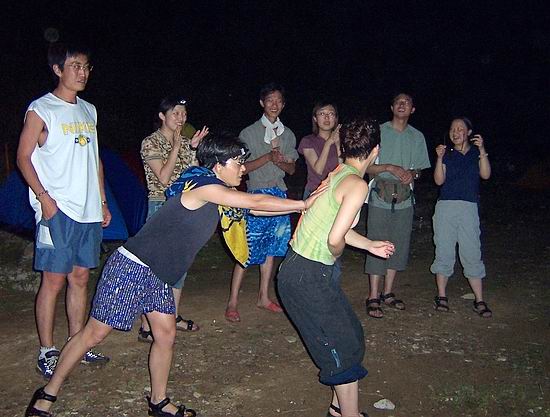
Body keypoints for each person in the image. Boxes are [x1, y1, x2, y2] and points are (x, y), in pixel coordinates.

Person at [25, 133, 324, 417]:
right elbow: (255, 202)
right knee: (94, 334)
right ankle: (47, 393)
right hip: (132, 267)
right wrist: (302, 203)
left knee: (165, 335)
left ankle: (158, 401)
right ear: (218, 165)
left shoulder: (221, 193)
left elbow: (256, 210)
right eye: (237, 162)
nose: (243, 168)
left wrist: (300, 210)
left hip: (158, 276)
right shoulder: (204, 187)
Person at [278, 118, 395, 417]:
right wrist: (338, 248)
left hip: (304, 271)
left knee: (351, 336)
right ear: (376, 150)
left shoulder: (340, 172)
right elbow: (335, 239)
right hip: (307, 275)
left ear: (343, 147)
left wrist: (369, 244)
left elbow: (336, 226)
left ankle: (337, 408)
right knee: (342, 350)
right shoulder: (357, 184)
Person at [16, 42, 112, 379]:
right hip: (57, 209)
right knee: (53, 280)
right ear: (58, 69)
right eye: (75, 66)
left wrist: (102, 201)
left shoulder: (89, 110)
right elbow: (22, 157)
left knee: (81, 277)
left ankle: (77, 343)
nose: (82, 73)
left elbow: (95, 159)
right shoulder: (41, 109)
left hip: (88, 209)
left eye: (86, 66)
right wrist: (43, 198)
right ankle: (47, 350)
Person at [225, 82, 299, 322]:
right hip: (256, 194)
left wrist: (280, 161)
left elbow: (292, 170)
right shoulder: (248, 133)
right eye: (270, 100)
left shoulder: (288, 134)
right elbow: (242, 168)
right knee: (246, 248)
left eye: (278, 100)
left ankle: (263, 297)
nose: (274, 104)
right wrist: (267, 156)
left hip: (279, 193)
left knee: (271, 248)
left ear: (283, 104)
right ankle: (232, 302)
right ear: (262, 103)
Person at [137, 96, 209, 342]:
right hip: (160, 206)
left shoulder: (187, 142)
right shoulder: (150, 142)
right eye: (176, 113)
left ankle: (173, 316)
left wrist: (193, 149)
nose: (181, 118)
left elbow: (193, 176)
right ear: (162, 116)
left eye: (184, 114)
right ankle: (146, 326)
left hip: (183, 206)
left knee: (180, 265)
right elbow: (164, 178)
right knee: (155, 268)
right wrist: (178, 147)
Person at [364, 92, 430, 318]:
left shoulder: (417, 137)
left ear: (413, 109)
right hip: (379, 195)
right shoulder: (378, 132)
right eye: (398, 102)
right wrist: (389, 167)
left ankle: (388, 292)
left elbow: (420, 170)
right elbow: (365, 167)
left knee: (398, 244)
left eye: (407, 102)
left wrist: (413, 174)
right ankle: (373, 295)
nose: (402, 105)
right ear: (391, 107)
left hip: (404, 198)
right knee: (376, 241)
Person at [431, 117, 492, 317]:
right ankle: (441, 295)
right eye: (452, 129)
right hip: (446, 207)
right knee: (444, 249)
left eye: (460, 129)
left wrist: (482, 150)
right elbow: (438, 181)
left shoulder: (475, 153)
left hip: (468, 208)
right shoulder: (447, 154)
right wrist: (439, 158)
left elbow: (486, 175)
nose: (455, 132)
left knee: (472, 250)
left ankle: (479, 299)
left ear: (469, 132)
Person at [298, 101, 342, 199]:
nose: (327, 117)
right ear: (315, 118)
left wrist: (338, 145)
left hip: (336, 192)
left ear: (335, 118)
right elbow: (318, 170)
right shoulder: (308, 141)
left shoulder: (342, 141)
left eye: (331, 114)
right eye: (322, 113)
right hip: (314, 192)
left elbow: (342, 169)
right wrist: (328, 143)